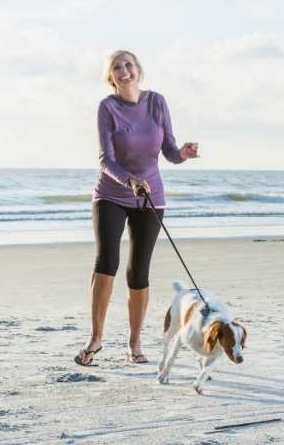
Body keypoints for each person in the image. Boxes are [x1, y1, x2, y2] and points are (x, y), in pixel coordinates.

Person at [75, 50, 199, 366]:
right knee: (107, 262)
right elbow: (106, 160)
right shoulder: (108, 108)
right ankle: (96, 339)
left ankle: (135, 344)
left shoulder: (157, 102)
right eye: (117, 67)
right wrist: (129, 180)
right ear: (111, 76)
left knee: (138, 271)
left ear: (138, 69)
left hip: (150, 195)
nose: (124, 70)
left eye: (128, 64)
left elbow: (169, 151)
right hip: (112, 194)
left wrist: (182, 153)